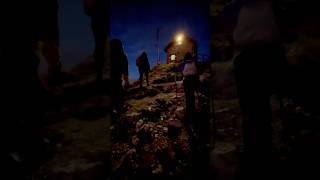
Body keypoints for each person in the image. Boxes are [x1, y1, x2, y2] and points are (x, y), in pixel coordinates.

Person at [231, 0, 289, 177]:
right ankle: (262, 151)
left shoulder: (243, 9)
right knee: (258, 108)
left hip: (253, 59)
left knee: (252, 109)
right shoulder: (270, 7)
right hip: (266, 57)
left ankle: (256, 152)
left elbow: (236, 39)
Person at [84, 0, 109, 85]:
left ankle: (99, 74)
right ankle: (99, 74)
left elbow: (87, 11)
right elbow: (87, 10)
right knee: (100, 45)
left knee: (100, 45)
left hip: (99, 21)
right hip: (100, 21)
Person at [110, 39, 129, 113]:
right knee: (118, 92)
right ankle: (119, 108)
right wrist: (126, 81)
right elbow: (125, 70)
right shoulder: (123, 55)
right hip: (117, 79)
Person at [182, 52, 199, 120]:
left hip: (187, 80)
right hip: (193, 79)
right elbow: (196, 72)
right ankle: (193, 109)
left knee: (187, 95)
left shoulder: (184, 64)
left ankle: (189, 110)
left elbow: (177, 69)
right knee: (192, 95)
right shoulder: (194, 63)